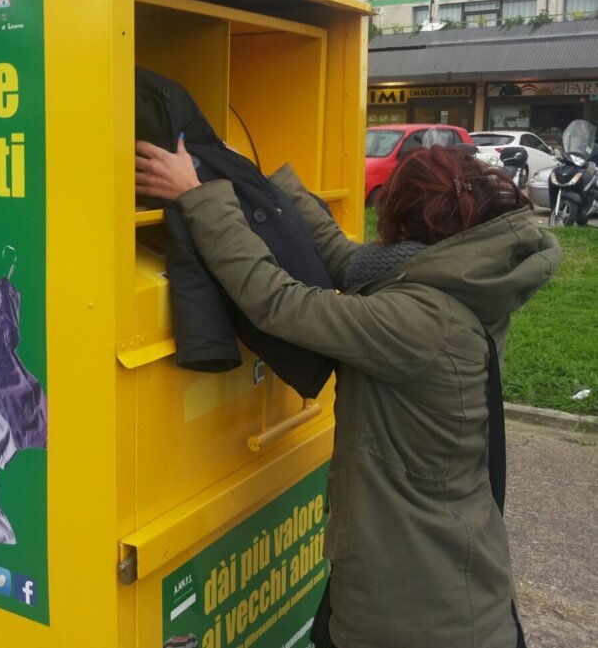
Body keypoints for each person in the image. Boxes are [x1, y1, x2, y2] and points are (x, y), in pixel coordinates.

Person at [135, 138, 561, 648]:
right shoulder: (465, 277)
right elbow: (348, 262)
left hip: (419, 612)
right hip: (442, 579)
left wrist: (198, 195)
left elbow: (277, 302)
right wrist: (259, 181)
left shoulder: (422, 321)